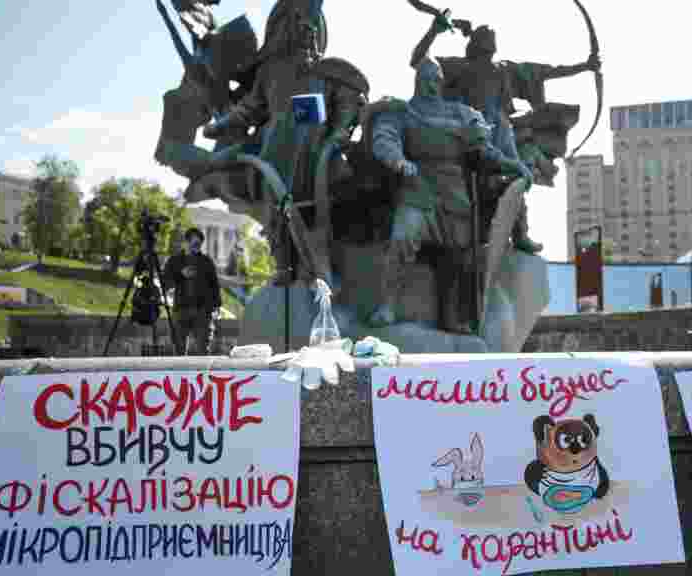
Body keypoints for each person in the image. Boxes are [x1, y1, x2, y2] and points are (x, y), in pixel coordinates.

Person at [202, 0, 368, 287]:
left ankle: (322, 261)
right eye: (294, 23)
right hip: (275, 147)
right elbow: (249, 109)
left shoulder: (330, 71)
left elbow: (349, 103)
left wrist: (339, 132)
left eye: (308, 25)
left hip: (315, 146)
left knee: (326, 197)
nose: (302, 29)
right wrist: (219, 126)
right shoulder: (270, 70)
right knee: (271, 200)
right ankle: (283, 263)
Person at [410, 15, 601, 253]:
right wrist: (433, 31)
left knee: (517, 175)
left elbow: (548, 71)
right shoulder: (458, 67)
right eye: (485, 38)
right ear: (475, 44)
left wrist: (585, 66)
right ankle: (474, 231)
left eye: (491, 39)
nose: (490, 42)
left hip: (501, 132)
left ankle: (520, 232)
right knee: (475, 183)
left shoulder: (504, 69)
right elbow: (419, 60)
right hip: (468, 133)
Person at [367, 57, 529, 333]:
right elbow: (384, 139)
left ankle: (451, 317)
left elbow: (484, 151)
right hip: (417, 188)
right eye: (425, 79)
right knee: (403, 237)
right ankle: (388, 304)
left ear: (442, 83)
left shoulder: (461, 113)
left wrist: (512, 165)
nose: (431, 85)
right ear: (416, 81)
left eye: (436, 80)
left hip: (454, 194)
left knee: (460, 256)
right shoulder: (401, 112)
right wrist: (398, 161)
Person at [163, 227, 221, 355]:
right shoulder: (174, 261)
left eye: (199, 244)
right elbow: (165, 283)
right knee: (179, 350)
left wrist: (217, 305)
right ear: (186, 242)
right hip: (181, 309)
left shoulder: (206, 261)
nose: (197, 247)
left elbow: (214, 285)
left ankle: (202, 369)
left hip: (202, 311)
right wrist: (181, 275)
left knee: (202, 349)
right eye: (195, 243)